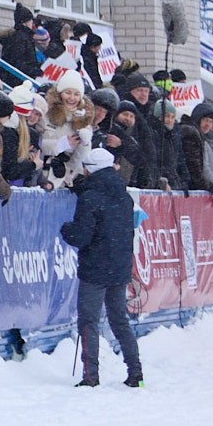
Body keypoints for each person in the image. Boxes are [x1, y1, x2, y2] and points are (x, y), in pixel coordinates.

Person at [59, 150, 142, 388]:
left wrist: (67, 229)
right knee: (119, 320)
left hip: (95, 268)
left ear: (89, 169)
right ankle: (136, 373)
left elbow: (82, 236)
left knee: (89, 322)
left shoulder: (91, 198)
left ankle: (91, 376)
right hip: (119, 266)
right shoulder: (124, 196)